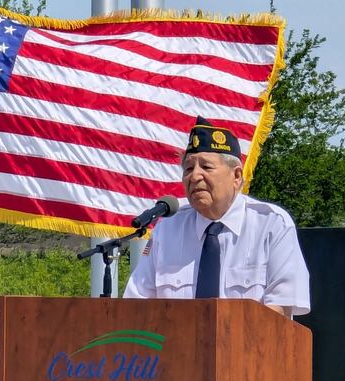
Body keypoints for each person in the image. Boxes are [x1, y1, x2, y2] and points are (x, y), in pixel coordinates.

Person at [123, 117, 310, 316]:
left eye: (206, 167)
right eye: (188, 168)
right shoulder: (168, 228)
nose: (194, 176)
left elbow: (281, 306)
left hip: (248, 345)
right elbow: (137, 305)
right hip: (177, 346)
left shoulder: (271, 224)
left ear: (236, 176)